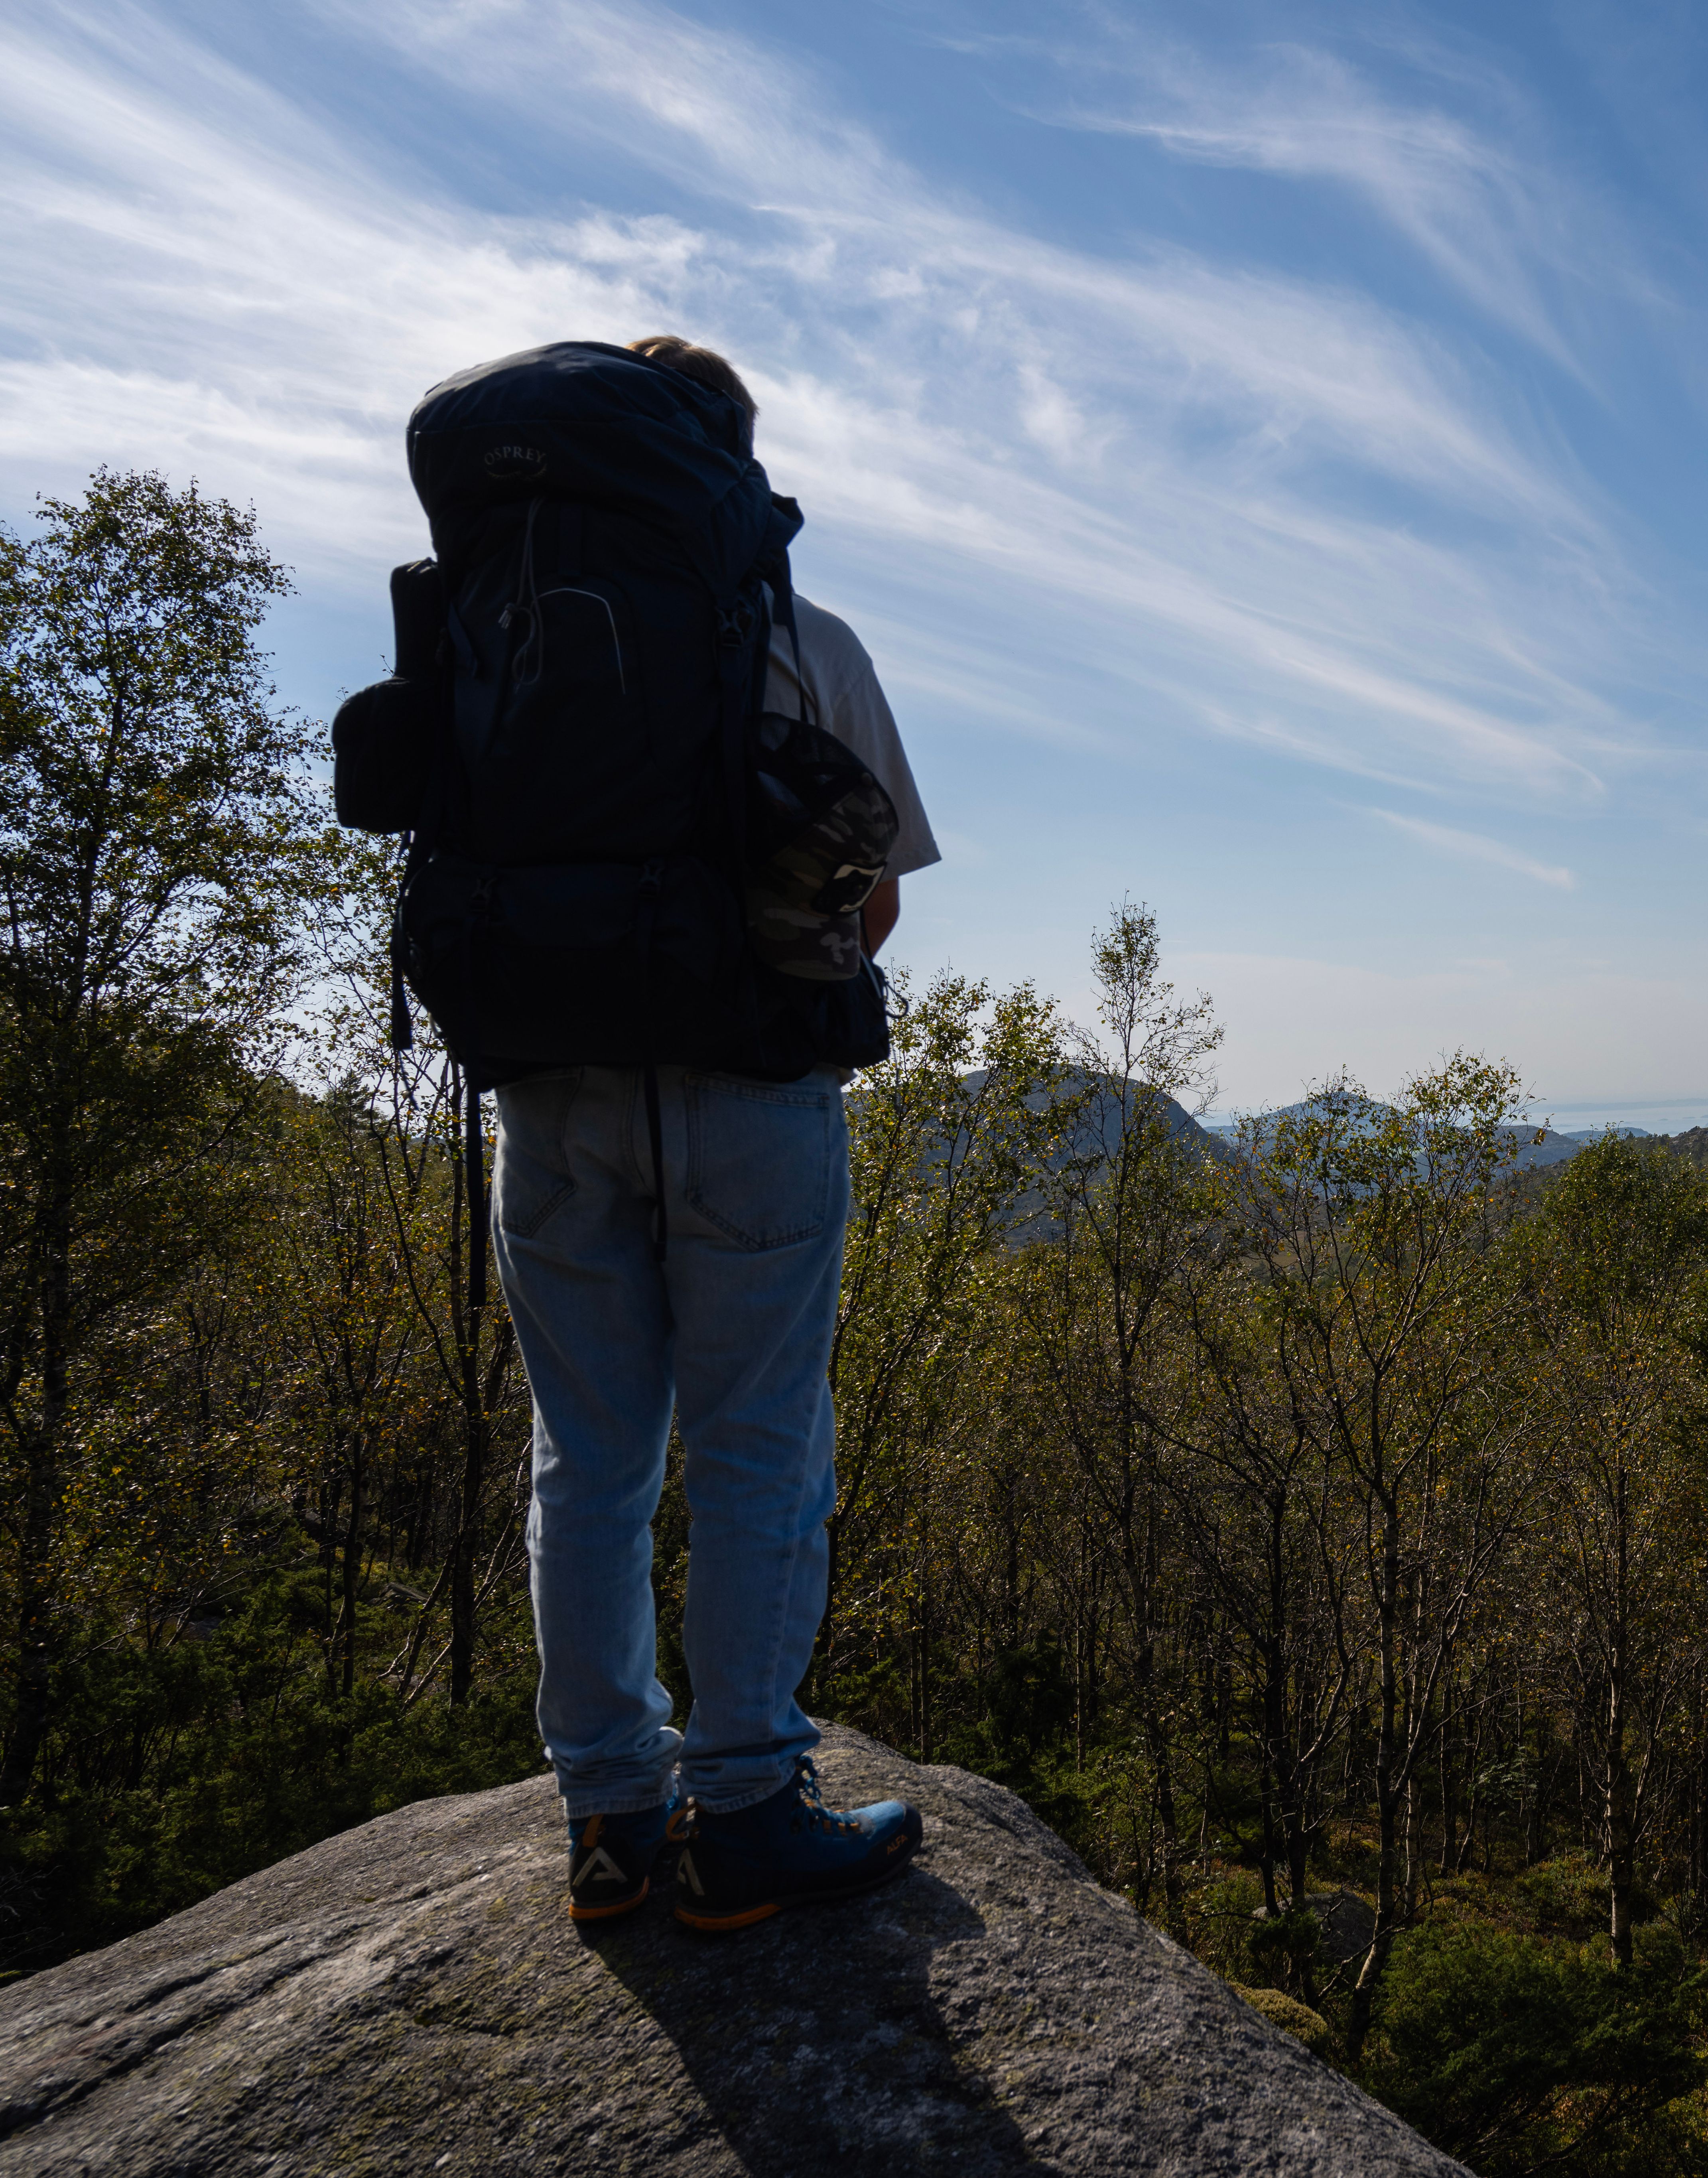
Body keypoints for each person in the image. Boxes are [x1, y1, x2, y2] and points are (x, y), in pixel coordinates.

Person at [508, 335, 944, 1932]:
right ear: (734, 463)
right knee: (760, 1444)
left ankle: (610, 1820)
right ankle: (748, 1802)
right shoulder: (795, 634)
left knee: (587, 1455)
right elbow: (874, 885)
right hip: (750, 1091)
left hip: (550, 1094)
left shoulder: (511, 627)